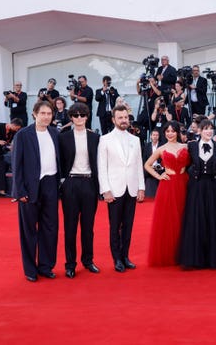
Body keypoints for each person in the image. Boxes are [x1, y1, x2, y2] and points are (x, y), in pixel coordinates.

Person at [11, 100, 61, 282]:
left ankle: (46, 266)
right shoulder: (23, 135)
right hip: (29, 187)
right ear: (34, 114)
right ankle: (30, 269)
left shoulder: (55, 133)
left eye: (49, 114)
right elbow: (16, 165)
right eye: (43, 113)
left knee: (50, 228)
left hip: (50, 184)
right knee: (28, 230)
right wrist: (19, 191)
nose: (47, 117)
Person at [97, 105, 146, 273]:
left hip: (131, 189)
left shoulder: (135, 140)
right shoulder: (105, 139)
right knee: (115, 226)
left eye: (126, 117)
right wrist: (106, 190)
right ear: (113, 120)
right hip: (114, 190)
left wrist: (141, 187)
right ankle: (116, 258)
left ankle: (125, 256)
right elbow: (102, 167)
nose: (124, 120)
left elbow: (139, 165)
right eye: (120, 118)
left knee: (128, 225)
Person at [58, 102, 101, 279]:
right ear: (71, 118)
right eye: (75, 115)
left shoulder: (95, 137)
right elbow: (59, 161)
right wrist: (63, 182)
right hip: (71, 183)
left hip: (89, 183)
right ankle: (70, 264)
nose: (79, 118)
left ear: (87, 116)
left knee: (88, 227)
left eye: (82, 115)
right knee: (70, 227)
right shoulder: (63, 137)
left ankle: (88, 260)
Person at [179, 119, 216, 269]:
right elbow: (183, 162)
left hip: (213, 187)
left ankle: (212, 258)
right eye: (205, 128)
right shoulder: (191, 145)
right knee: (196, 219)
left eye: (211, 128)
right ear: (199, 130)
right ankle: (195, 258)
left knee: (212, 220)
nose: (209, 131)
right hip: (196, 187)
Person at [144, 121, 190, 266]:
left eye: (173, 131)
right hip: (168, 185)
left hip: (185, 183)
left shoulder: (186, 146)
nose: (170, 134)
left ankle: (185, 252)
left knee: (185, 217)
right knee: (170, 219)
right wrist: (159, 176)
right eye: (167, 131)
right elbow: (147, 164)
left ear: (177, 132)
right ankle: (171, 253)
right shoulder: (161, 149)